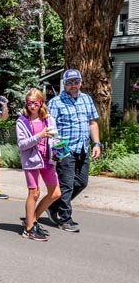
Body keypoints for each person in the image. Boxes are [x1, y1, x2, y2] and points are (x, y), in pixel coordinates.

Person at [46, 68, 101, 232]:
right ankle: (65, 219)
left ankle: (53, 205)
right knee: (67, 184)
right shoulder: (56, 102)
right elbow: (50, 127)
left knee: (82, 183)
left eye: (76, 82)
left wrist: (97, 143)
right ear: (65, 84)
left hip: (83, 147)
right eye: (69, 82)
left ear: (80, 82)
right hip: (63, 147)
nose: (73, 85)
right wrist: (55, 150)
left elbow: (93, 123)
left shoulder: (87, 99)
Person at [16, 88, 61, 241]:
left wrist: (59, 147)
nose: (32, 106)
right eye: (29, 103)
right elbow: (22, 144)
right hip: (31, 161)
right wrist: (39, 136)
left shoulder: (48, 119)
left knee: (55, 193)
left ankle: (32, 219)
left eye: (35, 103)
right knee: (34, 193)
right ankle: (29, 229)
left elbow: (54, 137)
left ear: (41, 103)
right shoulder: (22, 121)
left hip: (47, 160)